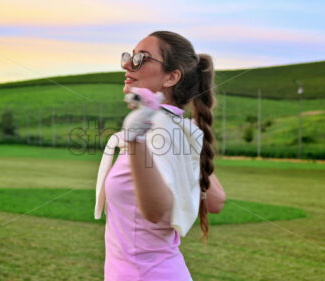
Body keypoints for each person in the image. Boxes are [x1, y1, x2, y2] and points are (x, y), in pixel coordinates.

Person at [94, 30, 226, 281]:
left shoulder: (156, 130)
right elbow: (215, 200)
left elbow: (157, 214)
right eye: (130, 57)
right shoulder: (175, 128)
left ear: (171, 77)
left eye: (141, 58)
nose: (126, 64)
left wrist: (135, 138)